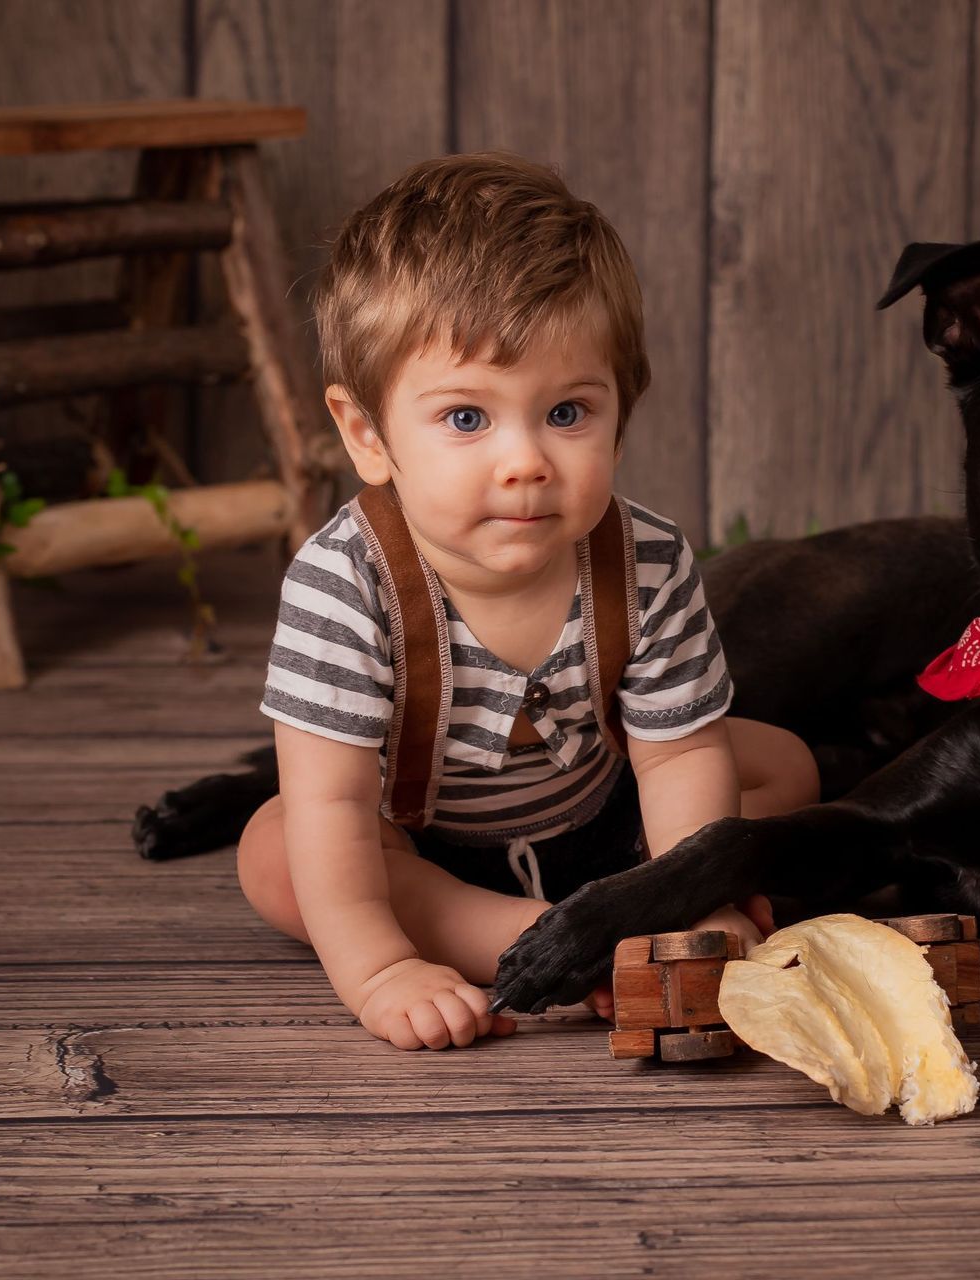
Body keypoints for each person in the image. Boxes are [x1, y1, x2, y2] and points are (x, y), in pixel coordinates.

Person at [236, 153, 818, 1052]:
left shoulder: (648, 561)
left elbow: (676, 761)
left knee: (780, 764)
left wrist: (689, 899)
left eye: (567, 413)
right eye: (467, 419)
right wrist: (379, 971)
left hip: (607, 813)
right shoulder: (343, 585)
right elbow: (336, 809)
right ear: (367, 434)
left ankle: (632, 916)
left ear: (622, 410)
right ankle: (516, 939)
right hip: (425, 845)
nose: (526, 462)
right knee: (281, 852)